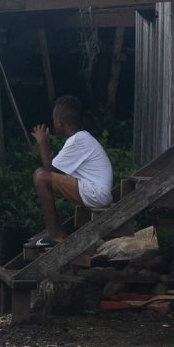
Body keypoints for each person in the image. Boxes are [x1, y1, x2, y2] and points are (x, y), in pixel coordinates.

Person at [30, 96, 113, 244]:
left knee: (41, 177)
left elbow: (49, 170)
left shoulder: (78, 140)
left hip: (96, 194)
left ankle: (55, 234)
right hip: (95, 192)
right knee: (41, 174)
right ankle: (54, 230)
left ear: (59, 122)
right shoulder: (80, 138)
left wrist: (42, 143)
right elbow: (55, 170)